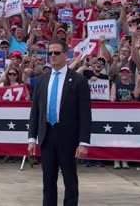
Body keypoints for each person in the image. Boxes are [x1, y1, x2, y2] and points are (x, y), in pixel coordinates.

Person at [27, 40, 92, 206]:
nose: (53, 56)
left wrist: (83, 142)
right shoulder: (42, 80)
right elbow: (35, 111)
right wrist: (31, 138)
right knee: (48, 181)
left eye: (56, 53)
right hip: (47, 136)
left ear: (66, 54)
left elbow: (85, 114)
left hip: (68, 138)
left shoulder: (78, 81)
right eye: (50, 53)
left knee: (70, 180)